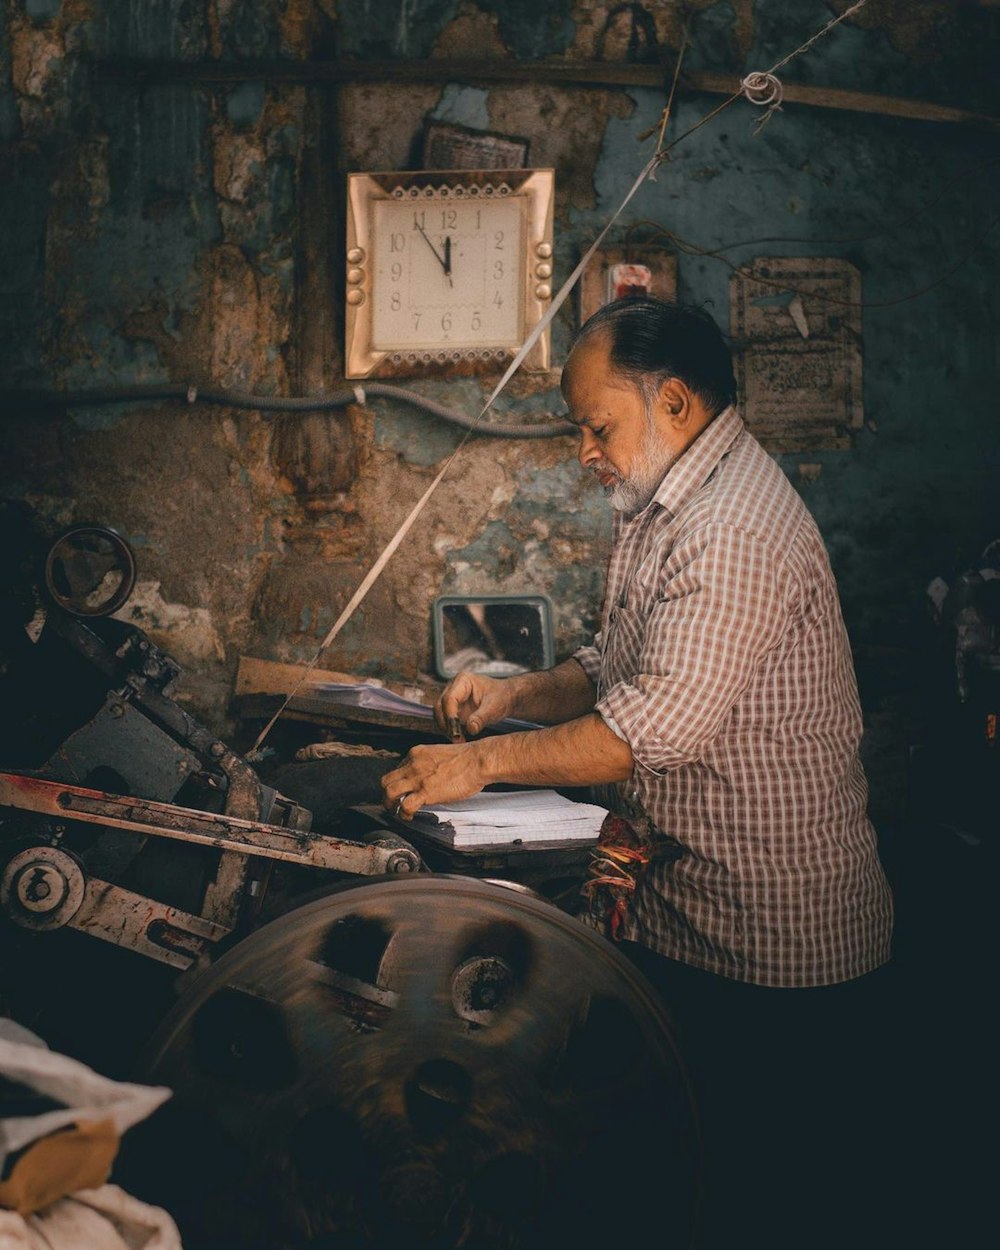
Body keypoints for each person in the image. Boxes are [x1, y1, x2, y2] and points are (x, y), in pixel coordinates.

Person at [381, 297, 897, 1248]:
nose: (584, 449)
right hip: (686, 907)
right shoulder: (668, 501)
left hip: (769, 939)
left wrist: (478, 764)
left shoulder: (731, 528)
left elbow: (644, 729)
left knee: (760, 1201)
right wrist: (516, 693)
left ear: (675, 403)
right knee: (684, 1179)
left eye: (596, 424)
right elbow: (622, 663)